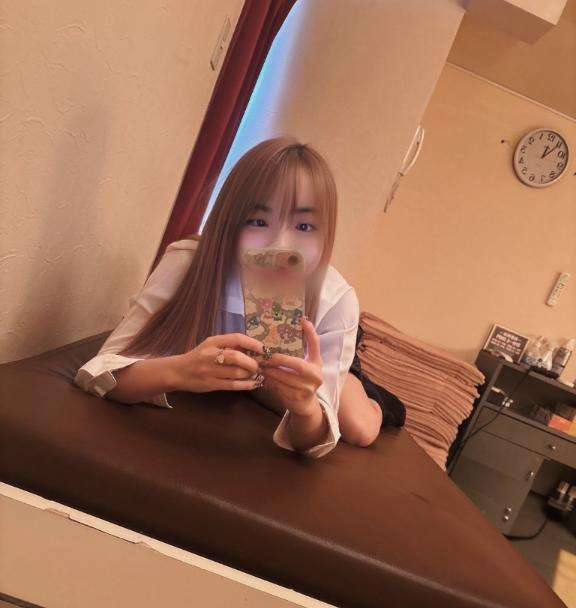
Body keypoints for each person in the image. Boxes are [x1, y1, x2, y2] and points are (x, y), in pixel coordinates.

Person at [74, 136, 405, 458]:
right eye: (259, 221)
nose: (280, 244)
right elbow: (101, 370)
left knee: (359, 428)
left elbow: (313, 440)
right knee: (258, 387)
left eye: (304, 226)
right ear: (229, 222)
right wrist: (181, 371)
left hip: (319, 337)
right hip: (251, 367)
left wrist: (306, 408)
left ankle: (367, 388)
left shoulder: (337, 301)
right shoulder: (187, 265)